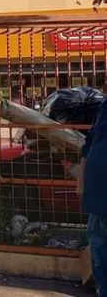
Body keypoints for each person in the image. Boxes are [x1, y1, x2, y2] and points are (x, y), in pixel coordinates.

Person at [81, 99, 107, 296]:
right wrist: (81, 181)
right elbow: (89, 143)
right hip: (98, 193)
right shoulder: (105, 107)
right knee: (99, 247)